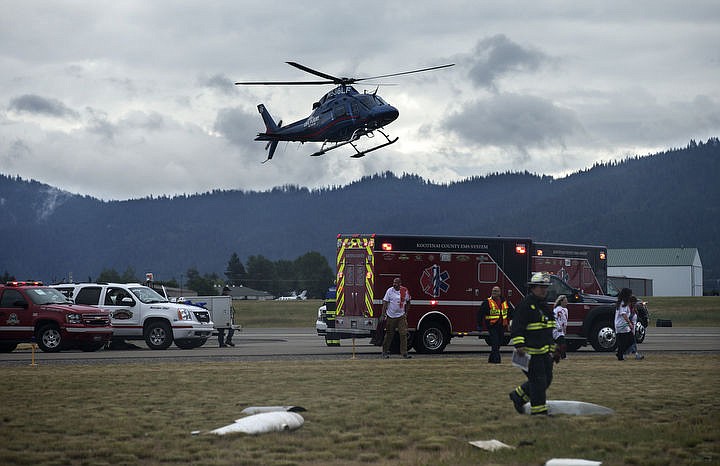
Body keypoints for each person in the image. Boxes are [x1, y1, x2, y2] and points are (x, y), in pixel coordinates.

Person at [508, 272, 562, 416]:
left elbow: (549, 330)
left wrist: (554, 349)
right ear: (533, 288)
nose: (544, 290)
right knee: (538, 381)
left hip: (544, 353)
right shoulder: (525, 305)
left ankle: (518, 396)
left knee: (546, 380)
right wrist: (519, 345)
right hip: (529, 353)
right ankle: (539, 413)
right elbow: (517, 326)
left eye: (546, 287)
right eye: (541, 287)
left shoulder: (544, 306)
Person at [477, 286, 512, 363]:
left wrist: (512, 323)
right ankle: (497, 361)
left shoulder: (504, 301)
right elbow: (480, 313)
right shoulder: (487, 302)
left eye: (496, 291)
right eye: (493, 291)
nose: (494, 292)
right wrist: (479, 325)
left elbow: (511, 312)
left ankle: (491, 359)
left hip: (502, 326)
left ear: (500, 292)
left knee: (499, 343)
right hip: (492, 326)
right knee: (495, 343)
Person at [381, 277, 412, 359]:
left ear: (400, 284)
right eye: (393, 282)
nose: (394, 284)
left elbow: (408, 302)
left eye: (396, 283)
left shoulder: (404, 291)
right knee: (389, 335)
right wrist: (383, 314)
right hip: (391, 316)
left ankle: (404, 353)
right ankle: (384, 351)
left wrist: (406, 313)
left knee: (403, 334)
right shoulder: (389, 291)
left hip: (401, 316)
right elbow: (385, 302)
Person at [614, 288, 634, 360]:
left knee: (629, 340)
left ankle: (619, 353)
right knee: (626, 341)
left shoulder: (624, 303)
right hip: (622, 325)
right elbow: (623, 314)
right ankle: (620, 354)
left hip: (623, 325)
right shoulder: (623, 304)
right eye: (630, 294)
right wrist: (630, 323)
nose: (631, 295)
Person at [625, 295, 644, 360]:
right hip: (627, 327)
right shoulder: (627, 309)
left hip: (632, 327)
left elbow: (634, 319)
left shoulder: (633, 309)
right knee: (630, 342)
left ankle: (634, 355)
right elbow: (626, 318)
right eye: (634, 303)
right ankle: (635, 355)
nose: (634, 304)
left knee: (631, 342)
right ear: (630, 302)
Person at [552, 295, 568, 359]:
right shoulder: (557, 309)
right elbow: (554, 319)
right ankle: (563, 356)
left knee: (558, 343)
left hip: (561, 330)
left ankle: (556, 355)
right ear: (561, 301)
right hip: (557, 329)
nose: (567, 302)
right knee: (562, 342)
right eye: (565, 300)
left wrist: (565, 328)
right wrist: (558, 327)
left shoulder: (566, 310)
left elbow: (565, 320)